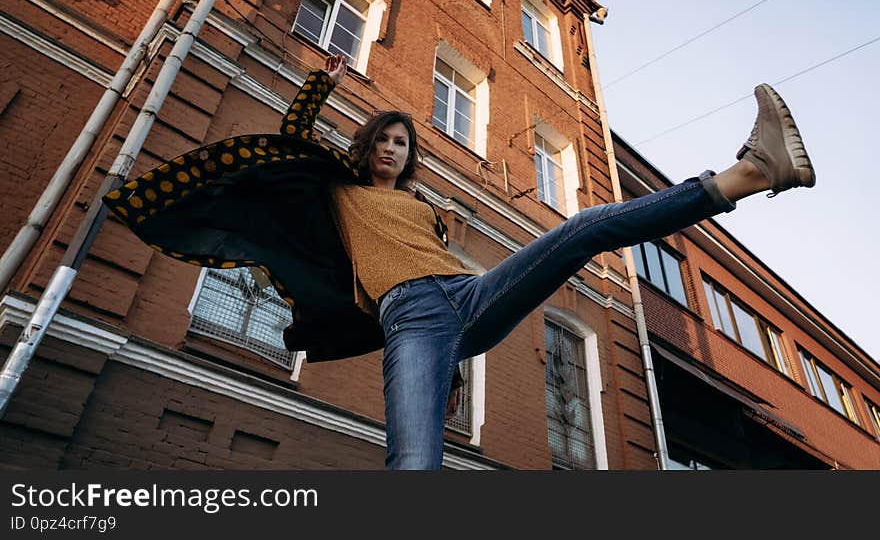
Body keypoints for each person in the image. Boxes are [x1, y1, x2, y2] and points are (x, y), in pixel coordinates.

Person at [104, 53, 815, 470]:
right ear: (365, 148)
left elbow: (444, 258)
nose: (392, 151)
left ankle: (751, 173)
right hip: (411, 319)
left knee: (588, 225)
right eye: (383, 141)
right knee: (415, 462)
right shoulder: (335, 190)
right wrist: (321, 83)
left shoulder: (421, 207)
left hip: (466, 294)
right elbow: (293, 137)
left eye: (402, 146)